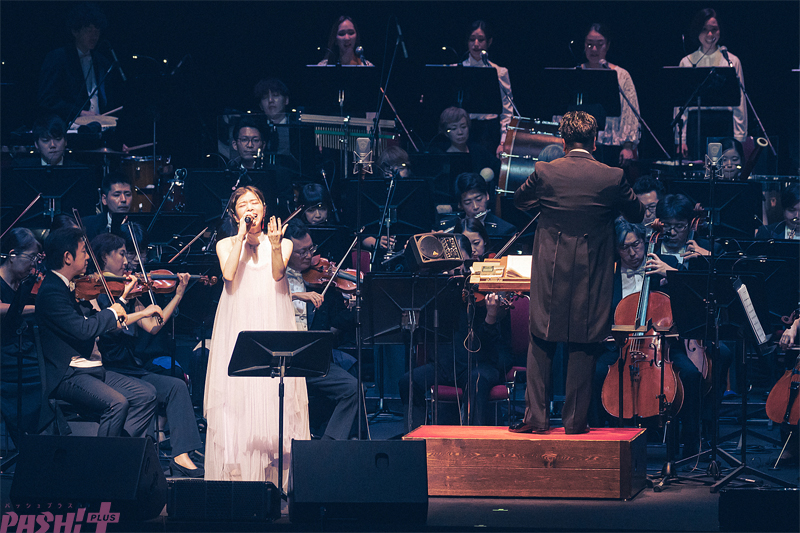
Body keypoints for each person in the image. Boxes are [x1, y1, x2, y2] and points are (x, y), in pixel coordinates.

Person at [510, 110, 645, 434]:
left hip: (551, 270)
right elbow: (638, 213)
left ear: (563, 140)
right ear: (595, 141)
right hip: (591, 272)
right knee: (584, 344)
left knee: (541, 338)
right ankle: (575, 423)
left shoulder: (545, 171)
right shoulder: (612, 177)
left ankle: (537, 419)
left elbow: (519, 201)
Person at [204, 186, 308, 485]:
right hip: (237, 321)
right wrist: (240, 236)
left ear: (264, 207)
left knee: (272, 391)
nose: (250, 208)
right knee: (238, 394)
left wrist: (274, 245)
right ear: (234, 213)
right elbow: (228, 275)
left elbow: (277, 274)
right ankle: (239, 475)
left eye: (254, 202)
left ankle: (273, 475)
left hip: (272, 318)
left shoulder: (283, 242)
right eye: (243, 204)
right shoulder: (225, 243)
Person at [90, 232, 204, 477]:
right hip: (108, 370)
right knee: (148, 391)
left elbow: (154, 325)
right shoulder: (93, 293)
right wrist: (136, 309)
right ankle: (134, 457)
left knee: (176, 386)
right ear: (104, 257)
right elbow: (110, 325)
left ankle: (181, 456)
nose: (127, 261)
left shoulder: (130, 292)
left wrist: (178, 295)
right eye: (121, 254)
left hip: (131, 368)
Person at [589, 218, 703, 457]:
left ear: (644, 241)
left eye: (636, 245)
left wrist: (670, 274)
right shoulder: (608, 274)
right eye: (624, 248)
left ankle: (691, 446)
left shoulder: (666, 263)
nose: (632, 253)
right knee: (594, 375)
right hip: (620, 348)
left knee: (691, 376)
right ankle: (601, 444)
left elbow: (695, 297)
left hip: (661, 347)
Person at [35, 227, 160, 438]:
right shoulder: (51, 291)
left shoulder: (69, 287)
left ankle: (120, 449)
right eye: (84, 251)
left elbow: (100, 322)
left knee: (146, 395)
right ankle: (103, 457)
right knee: (116, 403)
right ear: (67, 257)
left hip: (90, 369)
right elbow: (84, 330)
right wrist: (116, 306)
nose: (87, 257)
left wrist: (126, 303)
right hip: (68, 374)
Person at [284, 220, 358, 440]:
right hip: (283, 358)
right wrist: (296, 296)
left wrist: (353, 306)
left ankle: (329, 445)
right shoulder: (275, 279)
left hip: (313, 360)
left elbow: (338, 323)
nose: (309, 256)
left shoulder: (322, 282)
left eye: (311, 249)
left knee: (353, 388)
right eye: (302, 252)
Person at [398, 287, 510, 430]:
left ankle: (472, 437)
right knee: (408, 382)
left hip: (481, 363)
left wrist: (491, 317)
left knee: (476, 381)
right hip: (445, 364)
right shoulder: (441, 295)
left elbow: (490, 343)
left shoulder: (488, 296)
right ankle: (418, 436)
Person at [676, 8, 747, 160]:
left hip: (723, 123)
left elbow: (740, 101)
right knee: (698, 167)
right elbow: (680, 105)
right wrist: (680, 139)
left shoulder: (731, 61)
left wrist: (739, 136)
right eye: (704, 29)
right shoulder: (686, 62)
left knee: (721, 167)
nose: (710, 34)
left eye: (714, 29)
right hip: (696, 124)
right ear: (697, 31)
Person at [1, 229, 47, 441]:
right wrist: (38, 308)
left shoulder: (25, 282)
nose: (33, 265)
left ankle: (31, 435)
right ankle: (26, 436)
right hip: (4, 353)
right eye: (31, 257)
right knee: (42, 375)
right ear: (12, 255)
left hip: (22, 348)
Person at [37, 2, 118, 123]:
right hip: (69, 128)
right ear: (75, 32)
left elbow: (107, 99)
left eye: (97, 31)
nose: (94, 36)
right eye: (89, 30)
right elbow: (47, 99)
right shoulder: (58, 58)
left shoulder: (101, 61)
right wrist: (79, 112)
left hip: (99, 127)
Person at [580, 23, 641, 168]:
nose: (594, 49)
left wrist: (628, 146)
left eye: (599, 44)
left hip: (612, 147)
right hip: (581, 147)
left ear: (607, 46)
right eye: (590, 44)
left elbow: (631, 113)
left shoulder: (621, 75)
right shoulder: (576, 73)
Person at [460, 20, 515, 158]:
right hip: (462, 131)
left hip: (488, 132)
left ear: (489, 42)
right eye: (472, 39)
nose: (476, 44)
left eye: (481, 39)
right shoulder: (459, 69)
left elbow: (507, 111)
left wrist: (503, 141)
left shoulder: (499, 72)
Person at [438, 172, 515, 247]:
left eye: (479, 199)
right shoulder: (446, 227)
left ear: (487, 196)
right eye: (468, 202)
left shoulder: (505, 230)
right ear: (460, 205)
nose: (475, 207)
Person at [432, 107, 499, 184]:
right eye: (454, 128)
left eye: (463, 127)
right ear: (446, 133)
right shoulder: (441, 157)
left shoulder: (478, 151)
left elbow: (498, 168)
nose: (460, 132)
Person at [81, 172, 133, 240]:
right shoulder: (87, 225)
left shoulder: (141, 224)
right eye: (116, 195)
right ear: (104, 199)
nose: (123, 199)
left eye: (128, 194)